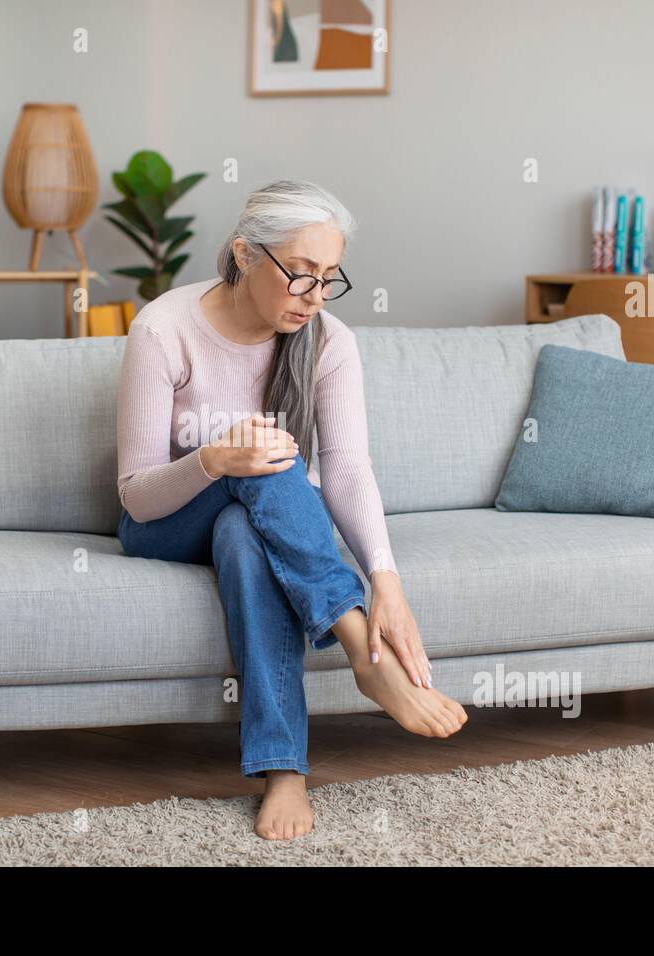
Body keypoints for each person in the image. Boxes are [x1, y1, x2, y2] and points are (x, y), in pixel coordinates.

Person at [115, 179, 467, 841]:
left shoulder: (329, 343)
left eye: (330, 278)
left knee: (244, 534)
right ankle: (367, 658)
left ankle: (284, 770)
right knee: (268, 457)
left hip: (247, 518)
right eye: (300, 274)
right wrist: (214, 461)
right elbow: (135, 492)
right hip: (163, 522)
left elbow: (346, 467)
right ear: (246, 255)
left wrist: (386, 579)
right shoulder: (164, 329)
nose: (315, 297)